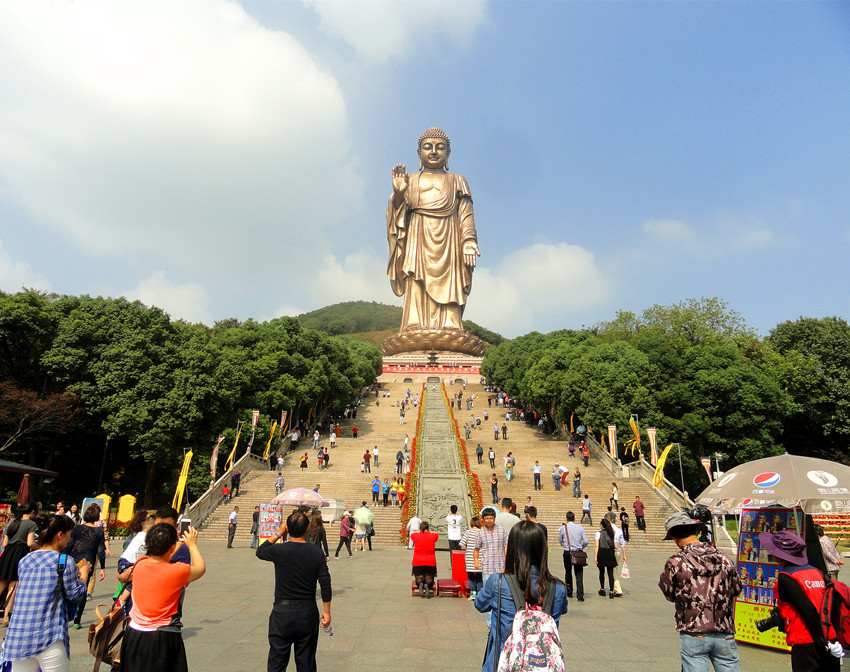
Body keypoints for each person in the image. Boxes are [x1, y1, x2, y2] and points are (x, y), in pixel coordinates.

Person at [387, 128, 480, 332]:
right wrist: (399, 195)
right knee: (416, 279)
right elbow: (397, 216)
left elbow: (465, 214)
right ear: (419, 153)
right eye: (427, 147)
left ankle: (450, 325)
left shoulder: (458, 180)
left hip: (449, 240)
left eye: (440, 147)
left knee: (450, 282)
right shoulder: (410, 180)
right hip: (417, 236)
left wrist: (469, 241)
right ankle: (414, 323)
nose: (434, 152)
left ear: (448, 153)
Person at [474, 521, 568, 672]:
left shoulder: (498, 582)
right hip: (542, 664)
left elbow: (479, 604)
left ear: (512, 549)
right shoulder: (558, 588)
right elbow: (562, 610)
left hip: (502, 663)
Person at [0, 514, 88, 671]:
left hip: (19, 636)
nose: (69, 540)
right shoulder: (64, 561)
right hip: (49, 634)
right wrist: (84, 576)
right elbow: (75, 595)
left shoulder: (25, 560)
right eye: (68, 535)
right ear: (60, 534)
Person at [659, 512, 743, 672]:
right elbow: (737, 588)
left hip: (693, 632)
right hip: (724, 631)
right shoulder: (724, 558)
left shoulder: (676, 562)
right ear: (696, 532)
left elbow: (669, 594)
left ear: (675, 539)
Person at [121, 523, 206, 672]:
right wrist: (191, 545)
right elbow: (200, 568)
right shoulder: (176, 571)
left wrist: (176, 546)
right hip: (161, 636)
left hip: (134, 633)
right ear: (171, 548)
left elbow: (160, 559)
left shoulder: (140, 564)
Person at [256, 511, 331, 672]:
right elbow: (325, 584)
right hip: (307, 612)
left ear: (288, 529)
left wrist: (278, 533)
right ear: (307, 530)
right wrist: (327, 612)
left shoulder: (280, 550)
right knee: (306, 662)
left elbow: (260, 551)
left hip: (282, 612)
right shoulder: (317, 553)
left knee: (277, 662)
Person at [760, 529, 842, 672]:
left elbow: (808, 610)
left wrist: (820, 641)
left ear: (781, 555)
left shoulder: (786, 578)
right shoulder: (817, 572)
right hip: (830, 636)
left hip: (807, 641)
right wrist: (829, 641)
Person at [64, 503, 106, 628]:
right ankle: (77, 620)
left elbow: (69, 544)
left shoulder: (76, 528)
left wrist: (63, 557)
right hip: (88, 562)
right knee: (83, 589)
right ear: (96, 517)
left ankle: (65, 614)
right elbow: (101, 550)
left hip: (73, 559)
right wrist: (102, 567)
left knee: (67, 586)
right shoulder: (99, 531)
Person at [0, 502, 39, 627]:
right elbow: (30, 543)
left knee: (1, 585)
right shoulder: (32, 524)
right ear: (33, 512)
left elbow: (4, 543)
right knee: (13, 587)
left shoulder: (13, 522)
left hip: (7, 554)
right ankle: (6, 618)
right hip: (19, 554)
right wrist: (41, 547)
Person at [474, 507, 509, 588]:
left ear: (494, 518)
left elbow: (506, 547)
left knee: (500, 589)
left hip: (500, 566)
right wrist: (476, 560)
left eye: (491, 518)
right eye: (486, 518)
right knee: (487, 589)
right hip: (487, 566)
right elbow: (476, 549)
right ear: (483, 519)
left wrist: (506, 562)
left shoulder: (502, 531)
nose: (489, 520)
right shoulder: (480, 533)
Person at [559, 511, 589, 602]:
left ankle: (569, 592)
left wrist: (565, 544)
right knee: (579, 574)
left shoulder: (563, 528)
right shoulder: (580, 528)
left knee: (568, 572)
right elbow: (586, 541)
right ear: (574, 518)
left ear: (566, 518)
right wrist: (580, 547)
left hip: (568, 552)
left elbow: (560, 540)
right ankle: (580, 595)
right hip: (578, 553)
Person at [410, 521, 439, 598]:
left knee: (419, 577)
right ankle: (427, 584)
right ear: (428, 528)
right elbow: (436, 534)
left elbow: (412, 535)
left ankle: (420, 584)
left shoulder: (416, 536)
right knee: (429, 577)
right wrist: (429, 531)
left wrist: (420, 531)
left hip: (418, 561)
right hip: (430, 561)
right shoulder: (432, 536)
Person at [595, 518, 619, 599]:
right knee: (610, 573)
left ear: (602, 525)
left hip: (601, 552)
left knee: (601, 572)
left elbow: (596, 545)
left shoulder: (599, 533)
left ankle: (602, 589)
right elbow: (616, 546)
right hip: (610, 553)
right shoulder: (612, 533)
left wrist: (595, 556)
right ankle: (611, 591)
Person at [460, 517, 483, 600]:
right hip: (480, 557)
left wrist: (468, 546)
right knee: (479, 578)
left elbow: (462, 543)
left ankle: (473, 593)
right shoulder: (482, 533)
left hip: (470, 558)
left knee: (470, 578)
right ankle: (480, 593)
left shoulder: (468, 532)